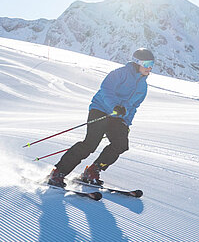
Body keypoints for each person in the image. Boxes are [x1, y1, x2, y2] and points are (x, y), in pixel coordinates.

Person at [47, 48, 154, 188]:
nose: (149, 67)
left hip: (118, 117)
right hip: (100, 109)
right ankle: (58, 172)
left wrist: (126, 123)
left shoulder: (143, 86)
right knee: (90, 144)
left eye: (151, 64)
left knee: (121, 144)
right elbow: (106, 90)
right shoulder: (119, 74)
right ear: (137, 62)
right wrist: (114, 106)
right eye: (146, 64)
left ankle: (93, 170)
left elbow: (134, 106)